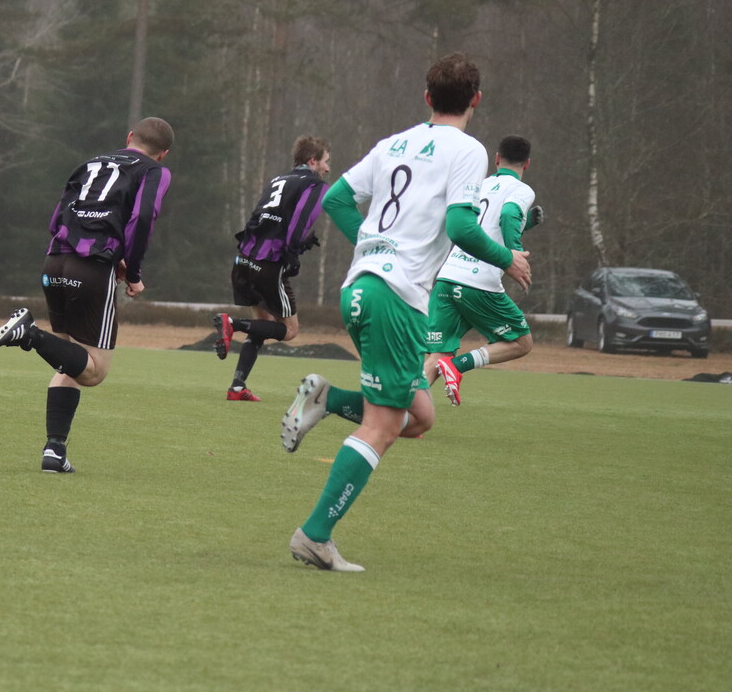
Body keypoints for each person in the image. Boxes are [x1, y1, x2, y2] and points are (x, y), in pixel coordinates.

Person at [278, 53, 531, 571]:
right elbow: (461, 226)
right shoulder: (468, 150)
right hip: (395, 297)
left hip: (362, 288)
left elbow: (337, 199)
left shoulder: (393, 143)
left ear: (427, 97)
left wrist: (373, 246)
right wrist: (507, 258)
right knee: (383, 425)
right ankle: (314, 535)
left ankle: (327, 400)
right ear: (476, 100)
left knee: (420, 418)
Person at [0, 117, 174, 473]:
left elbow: (57, 216)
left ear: (129, 137)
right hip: (91, 269)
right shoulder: (154, 171)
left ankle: (54, 451)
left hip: (55, 261)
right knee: (94, 371)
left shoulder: (91, 163)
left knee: (70, 359)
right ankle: (29, 334)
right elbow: (143, 217)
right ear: (162, 154)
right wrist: (132, 272)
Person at [425, 135, 545, 405]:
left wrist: (526, 224)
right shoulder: (522, 190)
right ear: (527, 164)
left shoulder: (478, 185)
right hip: (478, 283)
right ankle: (458, 366)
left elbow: (485, 223)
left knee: (437, 356)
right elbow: (508, 214)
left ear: (497, 158)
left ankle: (398, 415)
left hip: (447, 278)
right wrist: (514, 253)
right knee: (521, 342)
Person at [212, 135, 331, 401]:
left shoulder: (278, 180)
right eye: (326, 161)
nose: (327, 168)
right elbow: (300, 222)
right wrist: (293, 253)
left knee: (261, 324)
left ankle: (237, 387)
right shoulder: (315, 184)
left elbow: (258, 219)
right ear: (313, 160)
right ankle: (231, 323)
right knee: (289, 330)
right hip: (268, 264)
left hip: (244, 259)